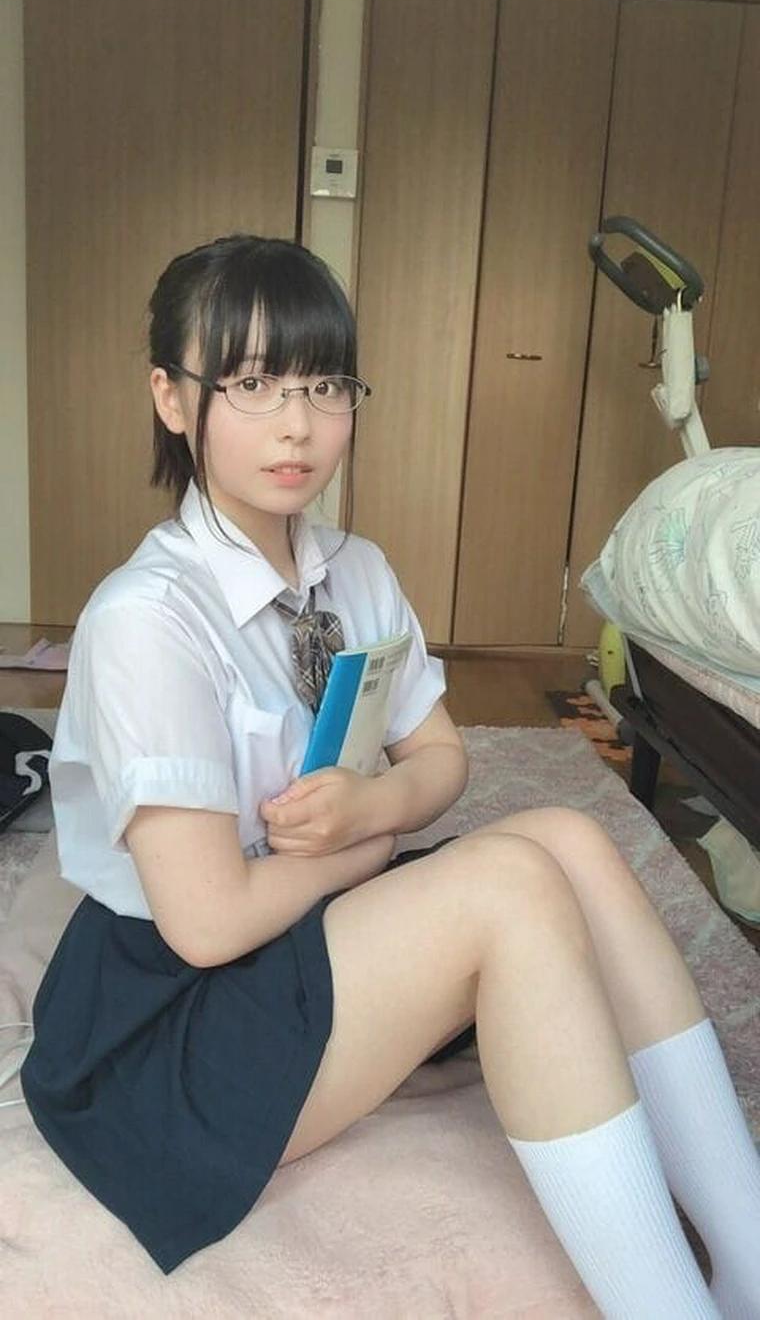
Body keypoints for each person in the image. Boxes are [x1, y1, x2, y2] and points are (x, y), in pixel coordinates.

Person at [20, 234, 759, 1316]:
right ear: (172, 399)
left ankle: (749, 1254)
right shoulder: (148, 617)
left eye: (325, 384)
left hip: (298, 928)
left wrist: (376, 802)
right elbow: (208, 924)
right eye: (252, 383)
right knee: (508, 887)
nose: (297, 423)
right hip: (166, 1026)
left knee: (567, 838)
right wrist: (365, 846)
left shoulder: (355, 571)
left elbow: (442, 757)